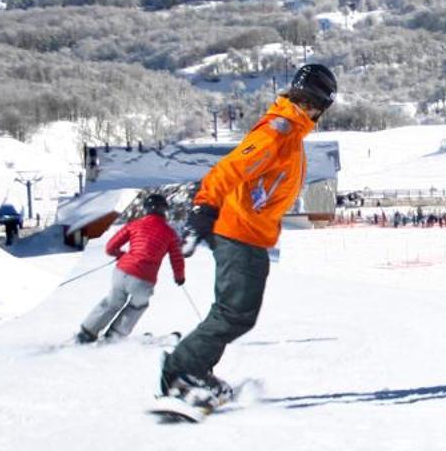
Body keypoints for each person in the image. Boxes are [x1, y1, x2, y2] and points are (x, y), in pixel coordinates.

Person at [159, 63, 336, 406]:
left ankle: (191, 369)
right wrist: (203, 208)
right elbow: (229, 168)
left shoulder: (291, 132)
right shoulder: (278, 132)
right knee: (234, 313)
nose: (317, 113)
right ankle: (182, 370)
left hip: (251, 233)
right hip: (238, 232)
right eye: (319, 106)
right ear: (315, 102)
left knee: (237, 313)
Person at [78, 193, 186, 344]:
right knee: (137, 306)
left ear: (146, 209)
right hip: (144, 279)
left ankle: (87, 333)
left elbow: (110, 247)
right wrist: (179, 277)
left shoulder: (134, 224)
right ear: (164, 210)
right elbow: (177, 259)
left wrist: (122, 255)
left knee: (112, 302)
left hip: (121, 272)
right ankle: (113, 336)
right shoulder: (170, 233)